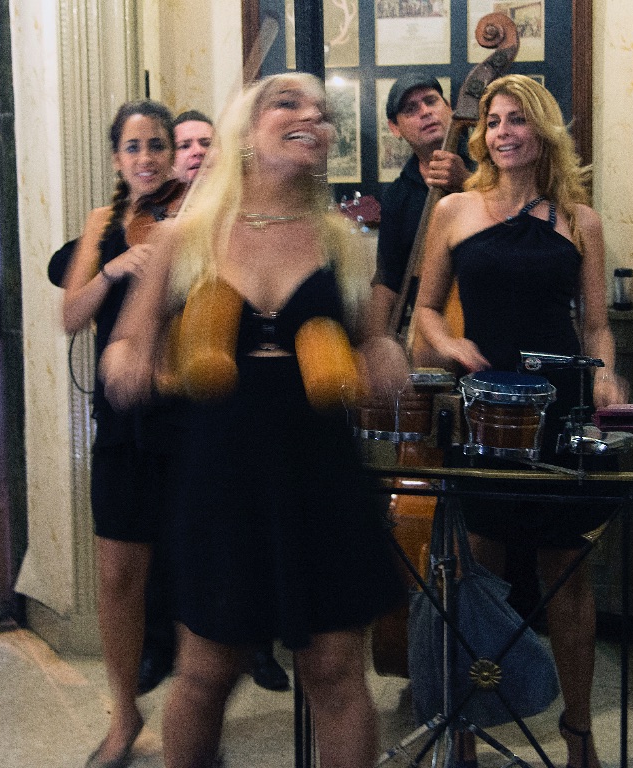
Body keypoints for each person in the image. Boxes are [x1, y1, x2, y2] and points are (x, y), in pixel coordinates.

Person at [101, 72, 409, 768]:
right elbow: (126, 344)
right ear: (246, 129)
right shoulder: (186, 238)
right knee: (207, 672)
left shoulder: (343, 242)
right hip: (222, 475)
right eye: (289, 102)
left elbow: (373, 342)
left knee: (334, 672)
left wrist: (387, 358)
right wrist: (131, 366)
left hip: (322, 472)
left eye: (322, 112)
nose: (312, 117)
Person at [413, 74, 627, 768]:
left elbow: (594, 326)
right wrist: (450, 345)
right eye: (495, 121)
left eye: (518, 120)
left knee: (567, 569)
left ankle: (579, 734)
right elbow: (423, 312)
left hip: (558, 406)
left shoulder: (580, 220)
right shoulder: (454, 211)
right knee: (481, 570)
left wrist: (606, 372)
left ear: (542, 132)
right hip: (484, 408)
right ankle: (467, 733)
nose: (503, 131)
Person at [135, 108, 291, 697]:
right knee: (177, 536)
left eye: (207, 142)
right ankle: (164, 646)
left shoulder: (247, 221)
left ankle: (258, 647)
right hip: (171, 406)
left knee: (249, 538)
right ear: (173, 160)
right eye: (185, 145)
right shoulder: (167, 223)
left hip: (235, 403)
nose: (196, 152)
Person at [60, 100, 184, 768]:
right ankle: (124, 715)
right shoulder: (103, 223)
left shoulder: (193, 219)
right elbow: (70, 315)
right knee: (117, 578)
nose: (147, 158)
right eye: (134, 147)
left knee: (192, 571)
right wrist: (114, 269)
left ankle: (196, 711)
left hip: (186, 417)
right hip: (122, 422)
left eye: (157, 146)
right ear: (117, 159)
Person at [363, 73, 468, 340]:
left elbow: (519, 222)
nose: (425, 112)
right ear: (394, 128)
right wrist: (376, 346)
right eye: (411, 109)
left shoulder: (491, 167)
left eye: (431, 101)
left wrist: (467, 183)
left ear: (450, 109)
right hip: (430, 338)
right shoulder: (397, 195)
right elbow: (389, 278)